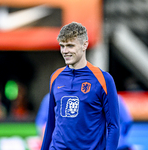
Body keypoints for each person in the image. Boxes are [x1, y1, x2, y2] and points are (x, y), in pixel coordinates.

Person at [41, 22, 120, 150]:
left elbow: (113, 126)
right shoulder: (55, 77)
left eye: (70, 46)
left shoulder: (103, 79)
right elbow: (51, 123)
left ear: (85, 45)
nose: (65, 51)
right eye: (62, 46)